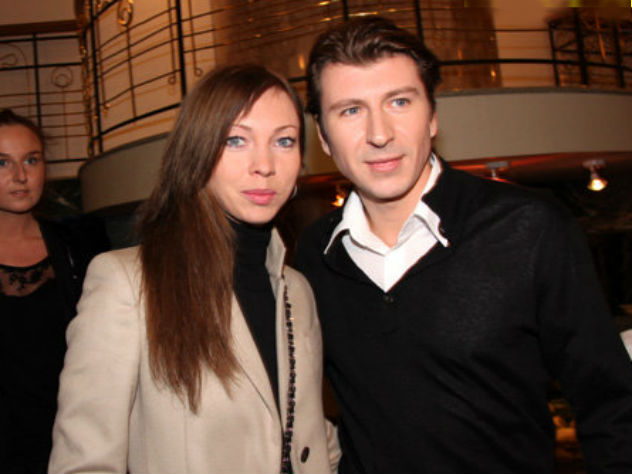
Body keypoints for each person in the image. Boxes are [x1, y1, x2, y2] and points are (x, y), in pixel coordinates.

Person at [295, 16, 632, 474]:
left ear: (433, 116)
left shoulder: (528, 227)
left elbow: (611, 403)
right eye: (350, 110)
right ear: (323, 136)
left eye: (399, 101)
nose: (379, 133)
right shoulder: (315, 255)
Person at [48, 64, 340, 474]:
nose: (264, 164)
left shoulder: (297, 289)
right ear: (197, 153)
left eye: (284, 140)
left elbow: (304, 428)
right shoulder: (128, 284)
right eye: (236, 140)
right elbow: (85, 462)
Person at [0, 109, 108, 473]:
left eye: (31, 160)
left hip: (72, 440)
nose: (20, 176)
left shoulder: (78, 243)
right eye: (2, 163)